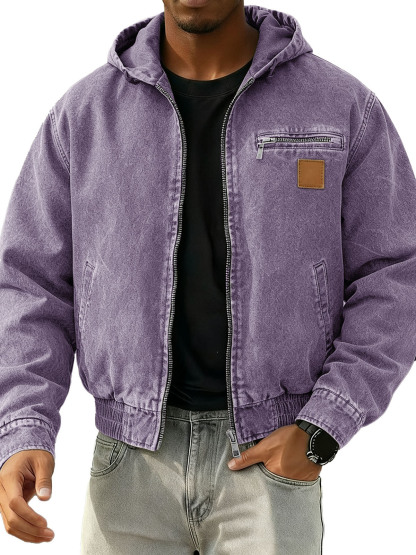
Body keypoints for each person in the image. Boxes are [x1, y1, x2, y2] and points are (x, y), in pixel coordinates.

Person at [0, 1, 415, 552]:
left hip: (272, 456)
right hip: (129, 460)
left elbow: (397, 275)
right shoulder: (84, 115)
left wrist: (322, 428)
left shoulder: (340, 106)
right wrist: (24, 428)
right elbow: (32, 285)